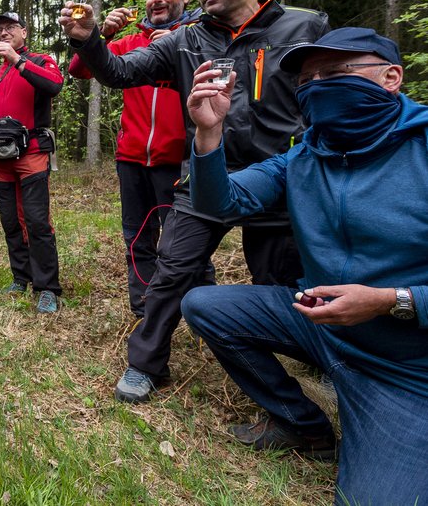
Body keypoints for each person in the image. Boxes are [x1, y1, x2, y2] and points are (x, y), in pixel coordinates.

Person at [60, 0, 330, 402]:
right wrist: (88, 40)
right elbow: (119, 72)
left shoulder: (304, 28)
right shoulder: (187, 39)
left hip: (281, 178)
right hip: (207, 174)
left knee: (285, 279)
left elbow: (330, 98)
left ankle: (323, 357)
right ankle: (145, 364)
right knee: (172, 268)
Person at [180, 27, 428, 504]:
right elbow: (222, 203)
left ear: (391, 77)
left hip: (404, 364)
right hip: (321, 323)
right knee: (206, 305)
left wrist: (390, 300)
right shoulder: (304, 155)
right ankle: (304, 426)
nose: (316, 86)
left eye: (334, 73)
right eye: (306, 80)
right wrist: (209, 133)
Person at [69, 0, 202, 318]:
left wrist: (177, 49)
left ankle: (201, 309)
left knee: (187, 242)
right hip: (132, 158)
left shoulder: (200, 37)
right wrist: (103, 35)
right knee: (138, 237)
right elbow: (79, 70)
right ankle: (144, 309)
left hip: (179, 160)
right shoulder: (132, 41)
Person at [0, 11, 64, 314]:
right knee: (10, 221)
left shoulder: (41, 61)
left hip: (31, 153)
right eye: (0, 31)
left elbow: (54, 85)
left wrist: (17, 60)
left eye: (10, 28)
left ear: (24, 33)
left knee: (36, 221)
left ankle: (47, 288)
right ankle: (21, 277)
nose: (4, 33)